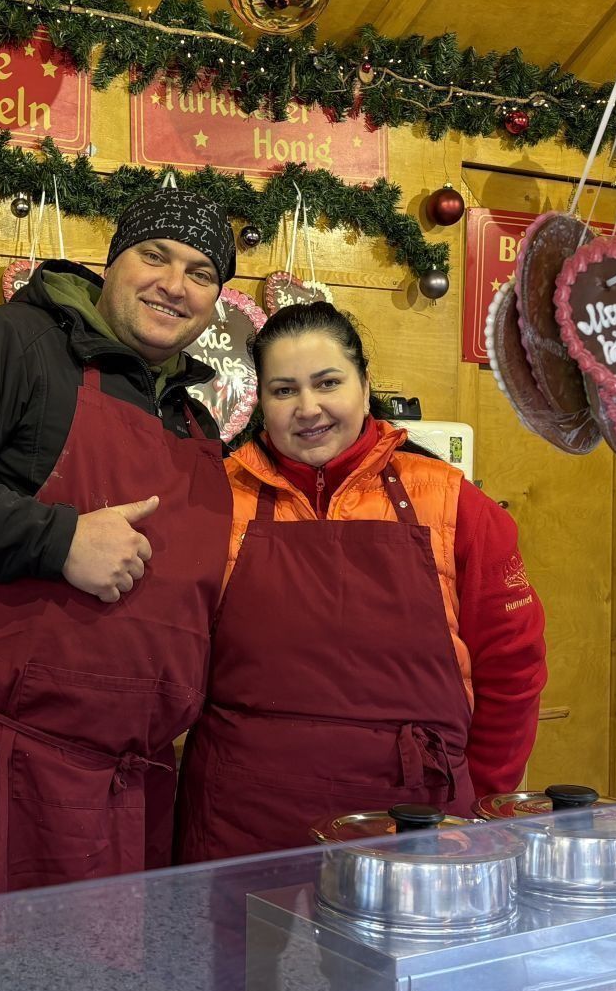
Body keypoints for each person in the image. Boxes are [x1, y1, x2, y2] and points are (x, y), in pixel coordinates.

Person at [0, 189, 238, 912]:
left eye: (200, 272)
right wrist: (58, 539)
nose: (173, 284)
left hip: (122, 791)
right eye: (154, 256)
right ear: (113, 263)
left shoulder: (197, 426)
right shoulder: (14, 344)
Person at [176, 301, 549, 862]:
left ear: (365, 381)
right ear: (261, 400)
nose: (309, 408)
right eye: (284, 390)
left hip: (412, 821)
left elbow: (512, 665)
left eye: (328, 383)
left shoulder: (453, 501)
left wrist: (482, 797)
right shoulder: (216, 498)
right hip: (239, 820)